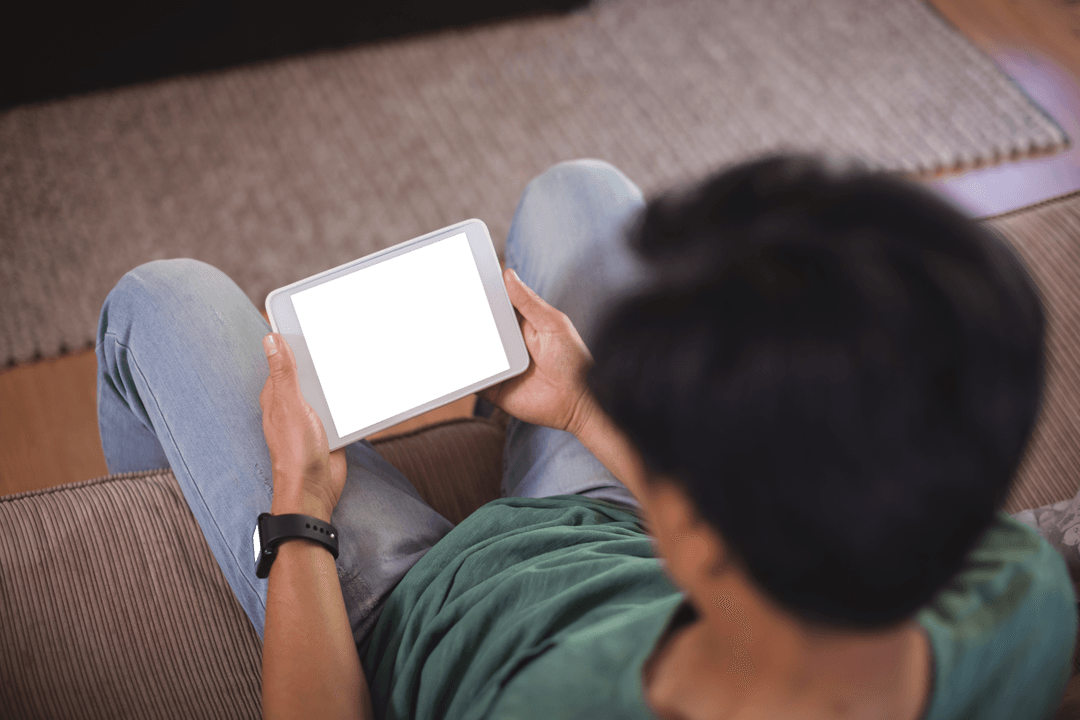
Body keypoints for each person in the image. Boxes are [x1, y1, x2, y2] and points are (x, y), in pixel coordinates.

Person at [96, 156, 1077, 720]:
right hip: (611, 535)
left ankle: (186, 541)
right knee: (582, 188)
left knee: (156, 300)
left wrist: (298, 508)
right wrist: (582, 408)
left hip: (405, 619)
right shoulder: (1020, 595)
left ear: (695, 525)